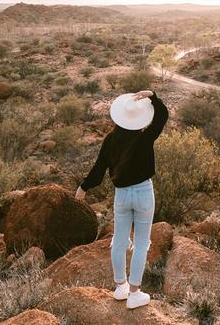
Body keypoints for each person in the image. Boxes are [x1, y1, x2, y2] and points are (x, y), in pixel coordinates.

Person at [75, 90, 168, 310]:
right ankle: (134, 293)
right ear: (140, 118)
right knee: (142, 243)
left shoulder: (110, 140)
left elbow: (98, 170)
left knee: (119, 239)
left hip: (122, 196)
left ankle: (120, 287)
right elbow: (162, 115)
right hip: (144, 192)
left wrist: (83, 187)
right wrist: (152, 96)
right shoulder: (145, 136)